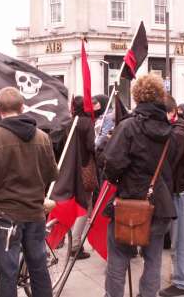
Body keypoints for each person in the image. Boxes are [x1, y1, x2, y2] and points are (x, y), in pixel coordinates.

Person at [0, 86, 58, 297]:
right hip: (34, 211)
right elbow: (51, 174)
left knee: (7, 271)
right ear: (22, 107)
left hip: (5, 216)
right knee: (38, 266)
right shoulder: (42, 138)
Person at [103, 73, 175, 297]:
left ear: (136, 97)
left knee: (118, 258)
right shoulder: (170, 130)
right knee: (153, 260)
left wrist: (115, 177)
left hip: (131, 201)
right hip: (160, 204)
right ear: (159, 97)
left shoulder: (128, 127)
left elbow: (112, 164)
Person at [159, 95, 184, 297]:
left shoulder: (178, 134)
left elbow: (168, 164)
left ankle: (181, 283)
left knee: (179, 240)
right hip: (182, 190)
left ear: (172, 112)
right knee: (181, 238)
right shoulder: (181, 129)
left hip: (181, 192)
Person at [70, 95, 97, 260]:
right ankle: (75, 244)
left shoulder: (69, 122)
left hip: (70, 168)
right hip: (84, 167)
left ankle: (67, 239)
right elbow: (91, 145)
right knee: (84, 205)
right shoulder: (87, 123)